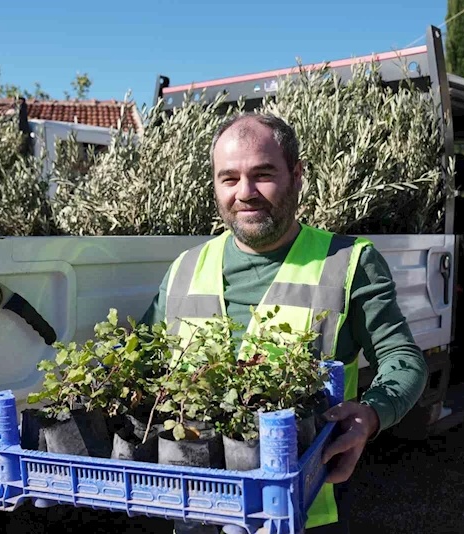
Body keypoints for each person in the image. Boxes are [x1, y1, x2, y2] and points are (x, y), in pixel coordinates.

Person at [142, 113, 428, 534]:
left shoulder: (348, 263)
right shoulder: (185, 268)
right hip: (198, 507)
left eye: (262, 174)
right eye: (229, 178)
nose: (245, 193)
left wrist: (370, 415)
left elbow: (403, 359)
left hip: (301, 510)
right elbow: (145, 369)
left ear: (297, 176)